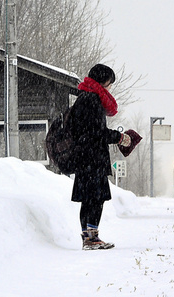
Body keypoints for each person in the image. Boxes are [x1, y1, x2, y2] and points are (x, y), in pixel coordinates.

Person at [69, 64, 131, 250]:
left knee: (88, 199)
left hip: (84, 158)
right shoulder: (93, 100)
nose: (110, 86)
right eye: (109, 82)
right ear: (103, 80)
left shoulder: (83, 98)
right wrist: (120, 137)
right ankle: (92, 238)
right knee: (95, 198)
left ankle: (88, 237)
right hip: (92, 158)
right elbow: (97, 132)